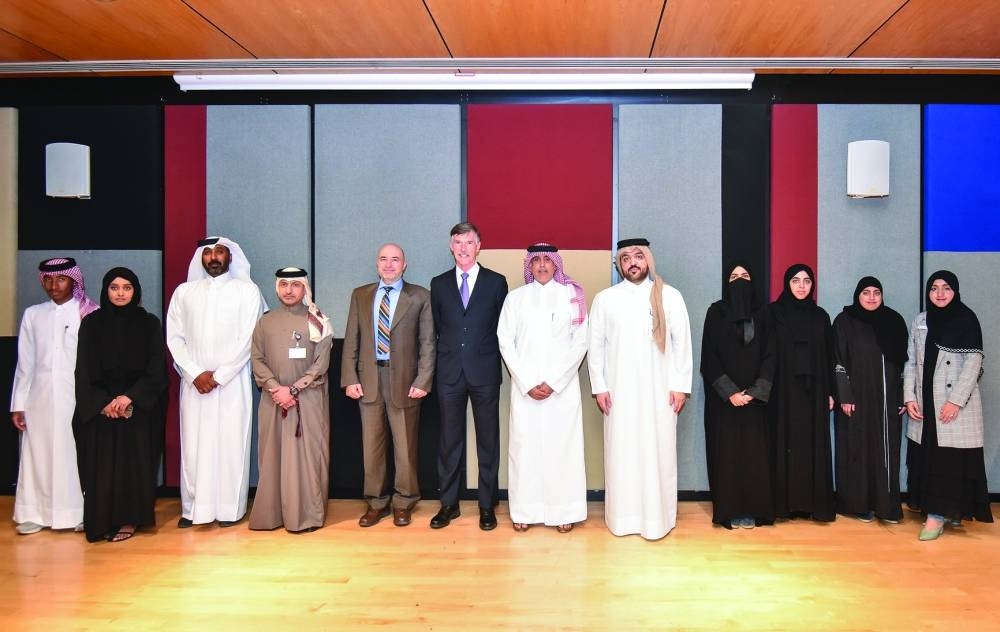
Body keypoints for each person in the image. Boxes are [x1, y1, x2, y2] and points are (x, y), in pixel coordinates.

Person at [587, 238, 692, 540]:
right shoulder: (605, 299)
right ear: (618, 265)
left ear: (648, 259)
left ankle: (658, 519)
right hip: (618, 393)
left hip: (660, 393)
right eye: (625, 258)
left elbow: (681, 344)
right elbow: (595, 347)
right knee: (622, 453)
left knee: (658, 452)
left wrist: (680, 387)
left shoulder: (669, 297)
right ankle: (622, 519)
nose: (632, 262)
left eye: (638, 256)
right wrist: (600, 387)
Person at [166, 236, 265, 528]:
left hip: (231, 383)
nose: (213, 257)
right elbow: (174, 338)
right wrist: (195, 373)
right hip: (194, 383)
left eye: (219, 252)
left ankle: (229, 511)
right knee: (194, 447)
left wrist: (220, 375)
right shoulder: (184, 292)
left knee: (231, 445)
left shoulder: (247, 291)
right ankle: (193, 509)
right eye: (207, 253)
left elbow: (250, 338)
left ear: (230, 257)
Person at [341, 244, 435, 528]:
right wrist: (349, 378)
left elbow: (427, 343)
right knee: (372, 448)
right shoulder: (361, 295)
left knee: (405, 448)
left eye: (395, 260)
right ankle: (376, 502)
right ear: (377, 263)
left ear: (404, 264)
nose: (389, 264)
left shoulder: (420, 296)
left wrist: (423, 380)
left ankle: (404, 502)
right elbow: (351, 340)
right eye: (384, 259)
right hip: (368, 381)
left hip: (405, 383)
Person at [498, 244, 589, 533]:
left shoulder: (571, 296)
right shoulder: (515, 298)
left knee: (562, 449)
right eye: (535, 261)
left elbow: (581, 343)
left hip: (561, 389)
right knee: (524, 451)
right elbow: (505, 342)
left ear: (556, 264)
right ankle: (524, 510)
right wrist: (526, 382)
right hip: (525, 390)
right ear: (529, 265)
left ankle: (565, 511)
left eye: (546, 261)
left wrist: (553, 382)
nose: (541, 266)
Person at [74, 267, 167, 542]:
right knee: (100, 468)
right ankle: (101, 521)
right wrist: (103, 404)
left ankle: (130, 519)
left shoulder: (148, 323)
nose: (120, 293)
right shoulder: (91, 323)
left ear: (135, 291)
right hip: (101, 408)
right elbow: (83, 369)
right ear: (106, 290)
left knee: (133, 465)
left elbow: (156, 369)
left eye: (127, 288)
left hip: (135, 408)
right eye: (114, 288)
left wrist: (129, 398)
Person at [10, 257, 98, 535]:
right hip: (40, 399)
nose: (54, 285)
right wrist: (18, 404)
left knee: (74, 455)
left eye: (61, 278)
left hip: (76, 397)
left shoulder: (89, 313)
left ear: (73, 280)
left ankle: (78, 513)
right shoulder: (33, 314)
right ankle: (34, 513)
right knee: (38, 454)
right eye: (48, 279)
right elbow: (25, 363)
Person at [428, 222, 508, 530]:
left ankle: (487, 505)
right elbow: (436, 328)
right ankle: (449, 504)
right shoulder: (439, 283)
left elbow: (503, 328)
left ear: (479, 245)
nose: (463, 247)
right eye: (458, 242)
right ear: (451, 246)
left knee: (488, 441)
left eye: (469, 242)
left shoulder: (496, 282)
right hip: (449, 373)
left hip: (485, 372)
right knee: (449, 441)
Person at [903, 271, 993, 540]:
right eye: (934, 288)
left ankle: (939, 515)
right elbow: (911, 362)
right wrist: (909, 397)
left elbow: (973, 364)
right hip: (925, 403)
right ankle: (937, 509)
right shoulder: (921, 320)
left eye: (946, 288)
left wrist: (956, 401)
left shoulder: (966, 319)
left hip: (953, 405)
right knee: (928, 455)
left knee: (950, 461)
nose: (939, 294)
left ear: (955, 291)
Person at [249, 267, 333, 533]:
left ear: (304, 289)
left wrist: (294, 389)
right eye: (283, 284)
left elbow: (321, 363)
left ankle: (305, 517)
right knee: (272, 457)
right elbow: (257, 359)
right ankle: (271, 516)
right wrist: (276, 389)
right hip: (273, 400)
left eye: (295, 285)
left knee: (307, 459)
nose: (288, 290)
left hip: (307, 399)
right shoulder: (265, 321)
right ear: (277, 288)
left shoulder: (317, 320)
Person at [700, 262, 775, 530]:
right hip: (724, 403)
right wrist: (730, 392)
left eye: (745, 276)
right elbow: (709, 356)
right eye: (734, 277)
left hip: (757, 402)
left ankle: (755, 510)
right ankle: (729, 511)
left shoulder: (764, 314)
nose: (739, 281)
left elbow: (771, 356)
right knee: (727, 455)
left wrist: (754, 393)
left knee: (755, 456)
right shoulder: (716, 312)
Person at [832, 277, 908, 524]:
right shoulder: (844, 321)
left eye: (877, 292)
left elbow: (902, 365)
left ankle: (886, 506)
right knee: (856, 449)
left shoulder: (894, 321)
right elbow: (838, 360)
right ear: (858, 295)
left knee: (886, 451)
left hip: (886, 399)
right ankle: (857, 505)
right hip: (855, 399)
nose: (872, 297)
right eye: (866, 292)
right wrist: (844, 395)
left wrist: (901, 397)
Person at [766, 263, 836, 522]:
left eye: (807, 281)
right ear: (787, 283)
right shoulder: (773, 313)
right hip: (781, 392)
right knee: (783, 442)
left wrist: (830, 391)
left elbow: (829, 356)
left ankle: (810, 504)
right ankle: (783, 505)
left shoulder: (820, 316)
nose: (802, 285)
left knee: (810, 445)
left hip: (814, 392)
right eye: (796, 280)